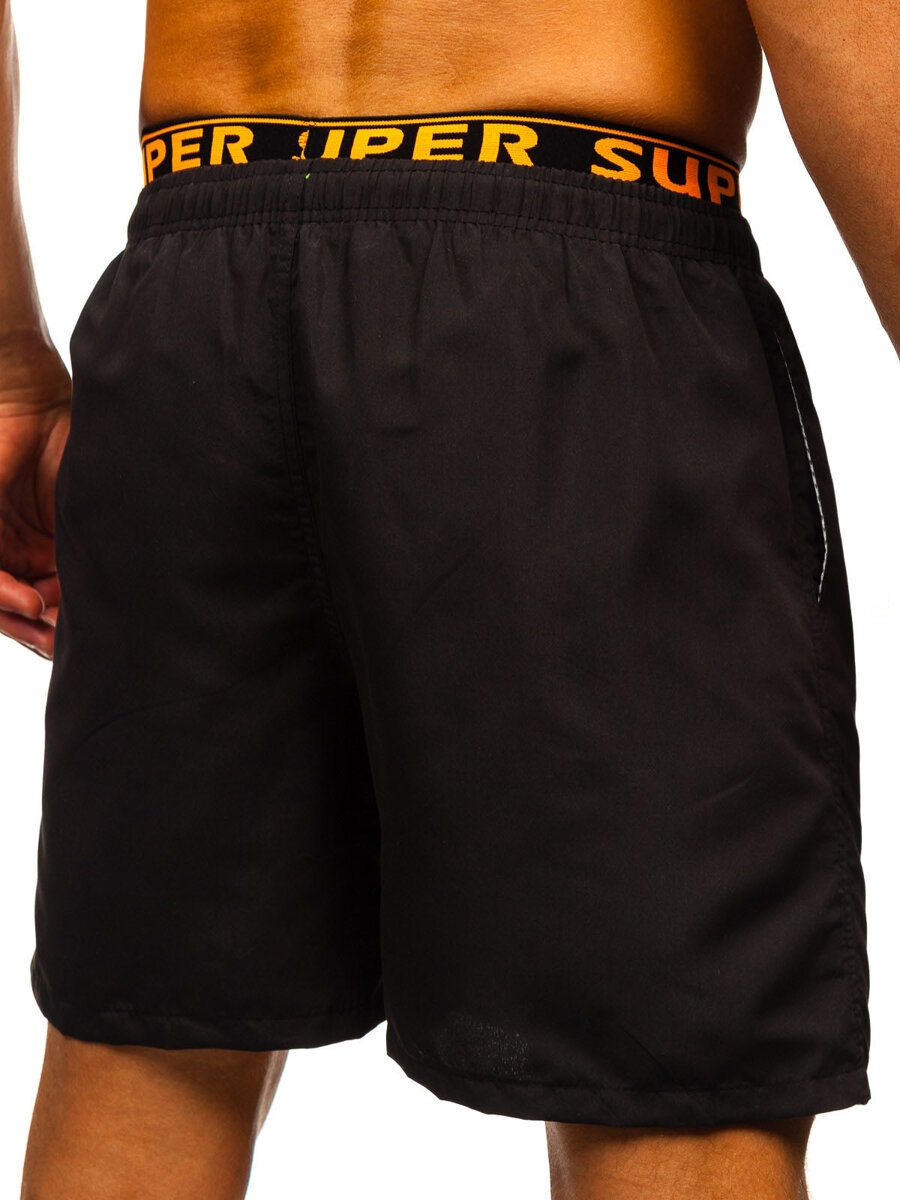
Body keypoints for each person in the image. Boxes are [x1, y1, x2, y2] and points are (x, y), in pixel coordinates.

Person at [1, 0, 894, 1196]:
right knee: (669, 1072)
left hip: (194, 284)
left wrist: (4, 367)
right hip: (565, 296)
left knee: (151, 1039)